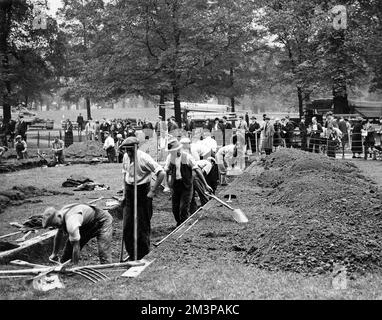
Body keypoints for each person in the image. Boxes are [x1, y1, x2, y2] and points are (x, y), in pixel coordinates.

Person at [120, 136, 165, 260]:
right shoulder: (125, 157)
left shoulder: (144, 158)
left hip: (142, 192)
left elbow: (161, 173)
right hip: (130, 191)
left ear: (136, 148)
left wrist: (152, 191)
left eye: (130, 150)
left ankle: (143, 255)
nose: (128, 153)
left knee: (142, 226)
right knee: (127, 227)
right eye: (126, 150)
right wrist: (124, 194)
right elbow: (125, 175)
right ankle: (132, 254)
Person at [42, 203, 113, 265]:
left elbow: (76, 246)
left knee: (104, 252)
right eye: (54, 226)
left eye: (57, 224)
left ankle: (107, 272)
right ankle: (64, 268)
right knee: (66, 256)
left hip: (103, 220)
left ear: (59, 216)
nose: (56, 227)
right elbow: (59, 235)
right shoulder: (60, 216)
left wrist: (75, 265)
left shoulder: (71, 222)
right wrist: (54, 254)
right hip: (87, 224)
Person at [164, 138, 212, 226]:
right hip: (175, 185)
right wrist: (168, 185)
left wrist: (205, 185)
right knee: (175, 209)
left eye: (176, 150)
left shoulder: (187, 157)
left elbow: (197, 170)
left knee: (183, 207)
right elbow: (167, 171)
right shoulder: (170, 158)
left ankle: (183, 225)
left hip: (186, 185)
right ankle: (179, 223)